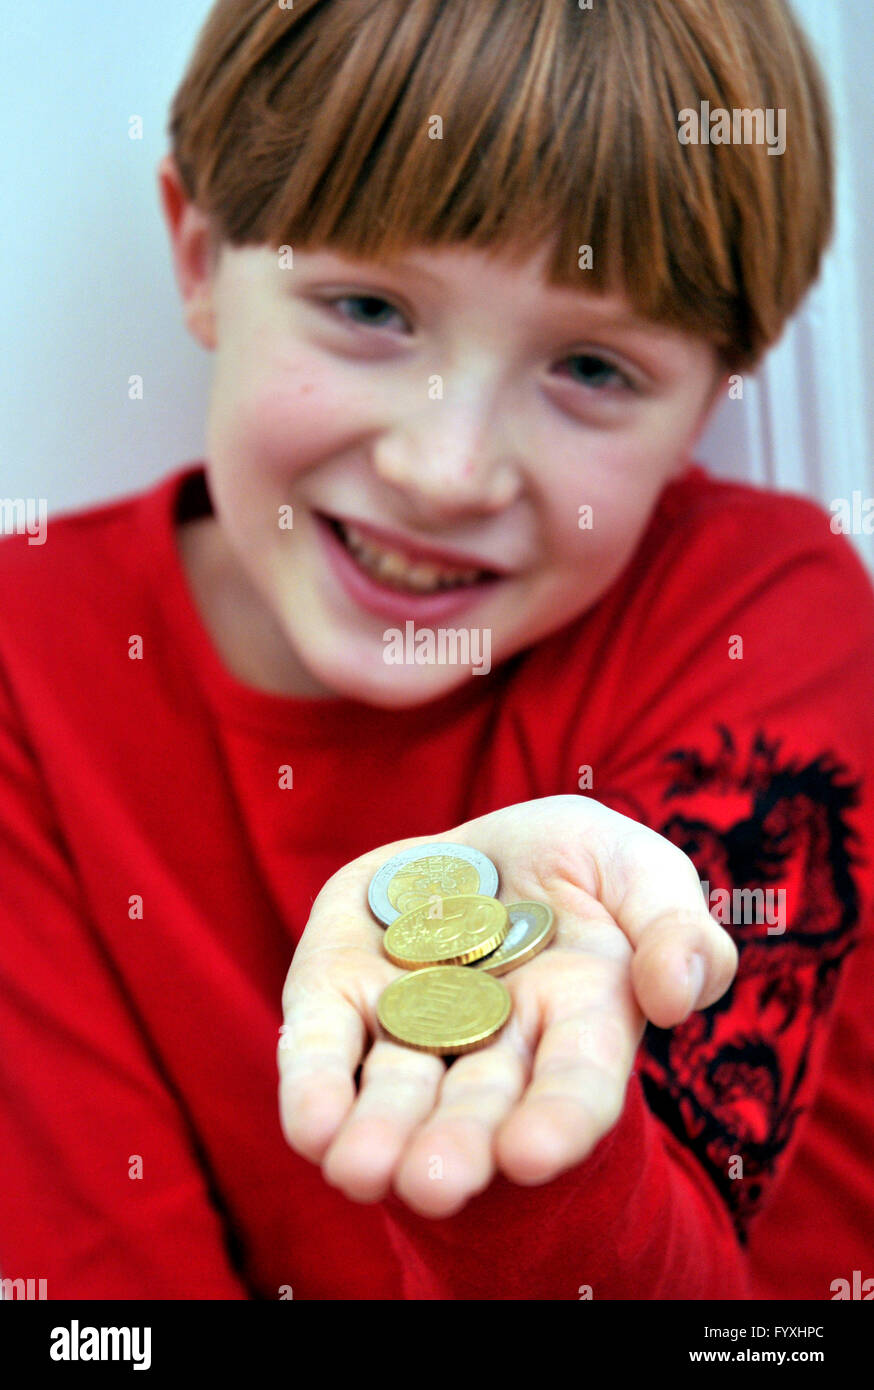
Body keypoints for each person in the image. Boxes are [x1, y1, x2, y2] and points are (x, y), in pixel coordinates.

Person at [1, 0, 872, 1300]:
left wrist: (539, 1156)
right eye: (367, 307)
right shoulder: (28, 656)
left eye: (589, 365)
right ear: (198, 253)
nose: (444, 468)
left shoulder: (771, 608)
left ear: (717, 389)